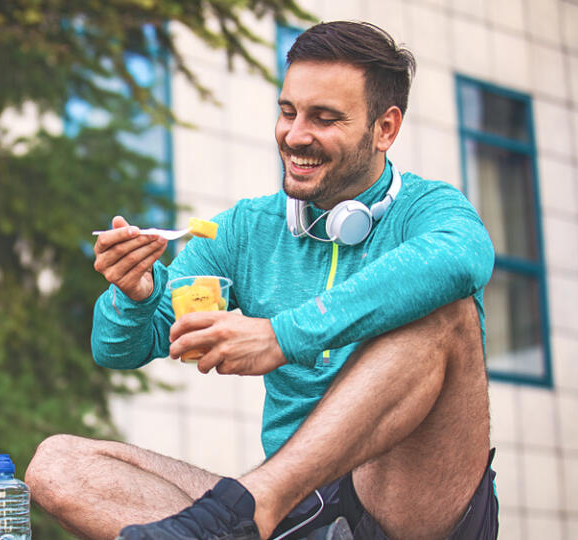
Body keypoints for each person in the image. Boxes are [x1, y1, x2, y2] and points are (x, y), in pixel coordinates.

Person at [25, 21, 498, 540]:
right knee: (57, 465)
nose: (294, 136)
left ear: (385, 129)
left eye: (325, 118)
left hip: (401, 504)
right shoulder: (247, 229)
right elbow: (119, 348)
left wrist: (281, 336)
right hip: (295, 515)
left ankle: (255, 508)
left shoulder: (428, 209)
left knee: (446, 313)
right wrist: (135, 294)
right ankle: (249, 514)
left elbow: (463, 258)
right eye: (288, 112)